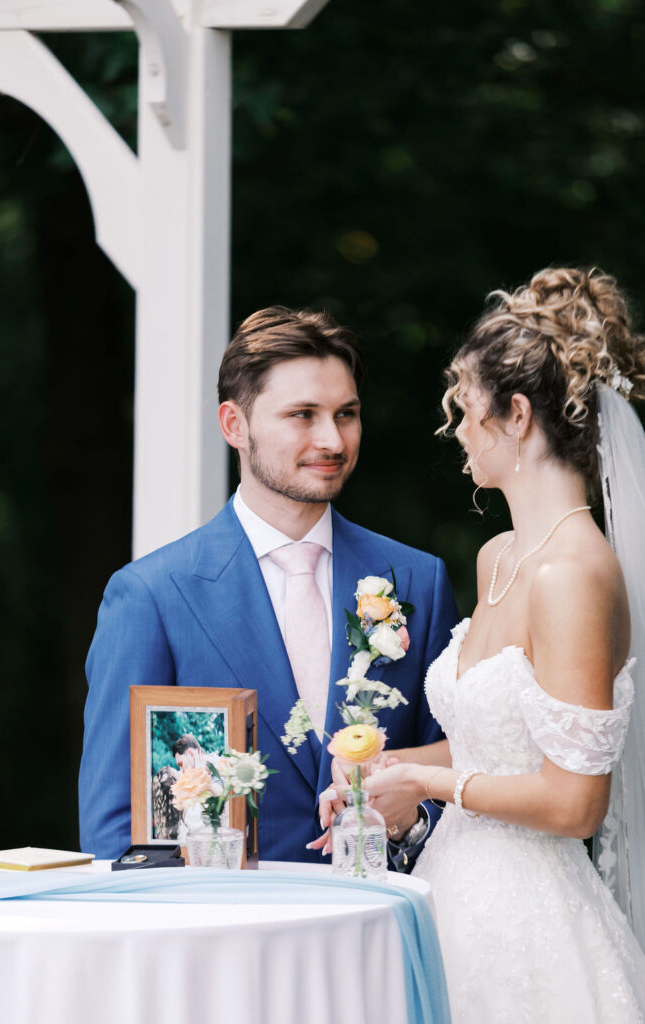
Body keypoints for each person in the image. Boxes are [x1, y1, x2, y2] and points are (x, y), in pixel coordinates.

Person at [322, 268, 645, 1021]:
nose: (457, 430)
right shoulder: (500, 556)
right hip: (450, 892)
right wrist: (386, 765)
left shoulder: (572, 573)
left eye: (465, 410)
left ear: (517, 415)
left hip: (531, 928)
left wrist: (427, 788)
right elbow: (495, 747)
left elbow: (573, 802)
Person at [79, 306, 459, 862]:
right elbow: (116, 832)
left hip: (380, 921)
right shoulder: (152, 596)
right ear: (235, 425)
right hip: (226, 934)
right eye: (302, 415)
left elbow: (460, 772)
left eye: (346, 414)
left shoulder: (417, 581)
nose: (332, 439)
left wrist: (409, 824)